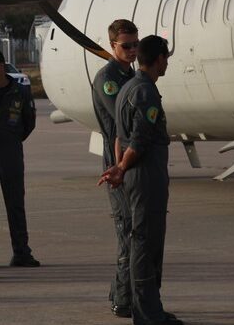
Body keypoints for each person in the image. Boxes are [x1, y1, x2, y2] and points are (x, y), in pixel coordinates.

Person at [99, 35, 182, 325]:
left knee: (140, 242)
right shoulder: (145, 92)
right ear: (158, 58)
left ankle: (145, 308)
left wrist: (120, 165)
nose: (167, 62)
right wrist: (121, 167)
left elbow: (120, 138)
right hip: (146, 177)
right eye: (166, 58)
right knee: (147, 244)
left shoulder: (127, 88)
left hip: (136, 176)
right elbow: (139, 139)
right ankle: (148, 314)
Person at [91, 19, 141, 318]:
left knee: (133, 230)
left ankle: (119, 292)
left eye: (136, 44)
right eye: (126, 46)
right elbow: (123, 118)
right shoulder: (108, 77)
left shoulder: (127, 73)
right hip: (116, 161)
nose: (133, 50)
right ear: (112, 46)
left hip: (128, 159)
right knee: (127, 231)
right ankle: (123, 299)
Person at [0, 49, 40, 270]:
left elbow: (28, 123)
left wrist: (10, 141)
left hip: (11, 158)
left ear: (1, 67)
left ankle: (21, 252)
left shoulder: (20, 92)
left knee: (15, 207)